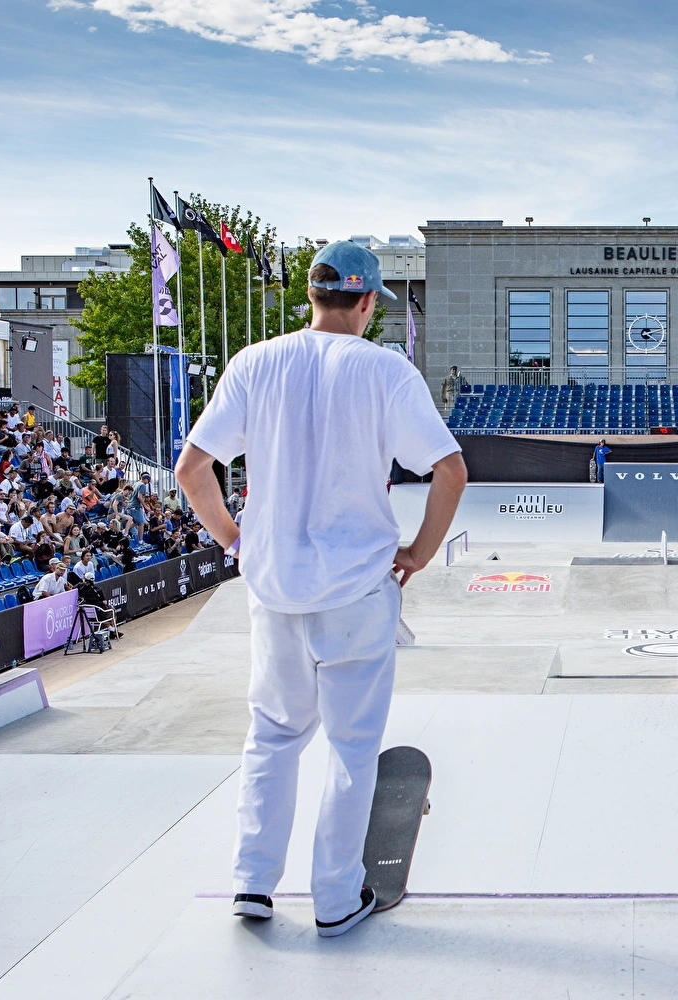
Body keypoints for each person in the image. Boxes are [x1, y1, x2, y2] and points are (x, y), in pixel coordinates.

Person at [174, 239, 466, 939]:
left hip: (274, 591)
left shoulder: (255, 362)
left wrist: (236, 541)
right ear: (367, 303)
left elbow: (192, 467)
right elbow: (450, 470)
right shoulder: (384, 370)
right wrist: (419, 554)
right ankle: (335, 898)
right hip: (358, 591)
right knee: (351, 746)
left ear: (313, 296)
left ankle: (251, 882)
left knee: (272, 737)